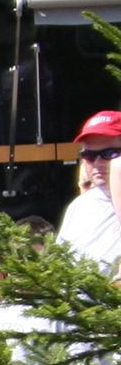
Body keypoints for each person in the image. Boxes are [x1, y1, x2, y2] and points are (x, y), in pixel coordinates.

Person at [59, 110, 121, 273]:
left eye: (109, 154)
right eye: (89, 155)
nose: (98, 162)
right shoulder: (79, 206)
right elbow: (59, 264)